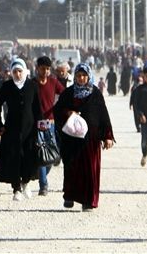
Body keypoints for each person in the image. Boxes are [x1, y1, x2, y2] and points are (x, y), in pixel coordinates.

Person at [53, 63, 114, 211]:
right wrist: (68, 113)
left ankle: (88, 201)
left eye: (84, 75)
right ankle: (69, 196)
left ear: (88, 76)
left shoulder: (96, 94)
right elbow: (57, 110)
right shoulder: (68, 93)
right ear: (74, 76)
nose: (81, 78)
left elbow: (103, 116)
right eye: (79, 76)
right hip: (71, 139)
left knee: (89, 170)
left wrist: (107, 136)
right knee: (71, 167)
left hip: (90, 141)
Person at [0, 57, 42, 201]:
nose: (17, 74)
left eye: (20, 71)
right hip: (11, 129)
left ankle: (25, 182)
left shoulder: (32, 86)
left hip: (30, 129)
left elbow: (37, 108)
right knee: (14, 158)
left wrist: (41, 125)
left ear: (25, 71)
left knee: (28, 157)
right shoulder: (7, 86)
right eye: (15, 72)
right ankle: (16, 189)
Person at [33, 56, 65, 196]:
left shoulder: (53, 81)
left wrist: (58, 108)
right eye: (42, 68)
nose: (45, 71)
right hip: (36, 124)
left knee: (52, 156)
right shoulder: (32, 84)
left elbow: (64, 94)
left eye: (47, 69)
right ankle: (43, 185)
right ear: (37, 68)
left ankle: (42, 175)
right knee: (41, 155)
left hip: (50, 123)